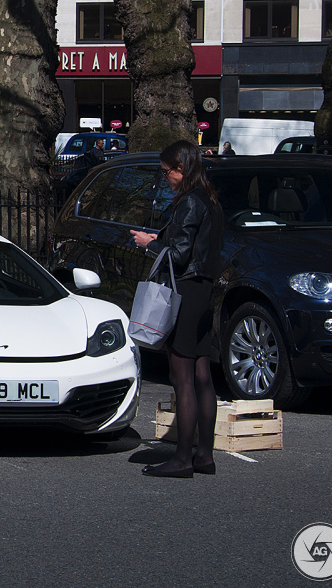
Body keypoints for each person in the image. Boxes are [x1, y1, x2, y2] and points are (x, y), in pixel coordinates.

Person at [130, 140, 225, 479]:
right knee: (203, 375)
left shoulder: (189, 202)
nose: (166, 177)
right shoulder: (211, 200)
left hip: (185, 289)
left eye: (167, 171)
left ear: (182, 169)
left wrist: (150, 243)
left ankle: (182, 458)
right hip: (205, 290)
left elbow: (180, 253)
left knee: (181, 376)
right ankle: (205, 455)